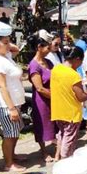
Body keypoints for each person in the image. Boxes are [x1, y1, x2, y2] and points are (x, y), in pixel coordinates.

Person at [0, 21, 26, 172]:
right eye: (5, 42)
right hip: (6, 104)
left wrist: (6, 40)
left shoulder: (6, 55)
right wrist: (11, 109)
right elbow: (2, 87)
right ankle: (8, 164)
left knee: (16, 131)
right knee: (10, 134)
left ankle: (13, 155)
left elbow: (16, 49)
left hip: (15, 101)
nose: (8, 45)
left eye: (8, 41)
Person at [50, 46, 87, 159]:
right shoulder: (73, 75)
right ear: (77, 59)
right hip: (71, 114)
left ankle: (57, 157)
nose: (80, 65)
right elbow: (81, 97)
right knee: (68, 140)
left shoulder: (56, 69)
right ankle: (65, 160)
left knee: (62, 134)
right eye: (81, 62)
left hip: (58, 111)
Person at [28, 29, 56, 162]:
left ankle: (55, 143)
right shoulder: (34, 66)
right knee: (42, 125)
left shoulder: (48, 62)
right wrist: (54, 96)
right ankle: (44, 152)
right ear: (39, 47)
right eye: (47, 47)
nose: (50, 50)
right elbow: (39, 88)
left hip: (52, 97)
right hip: (41, 100)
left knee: (53, 123)